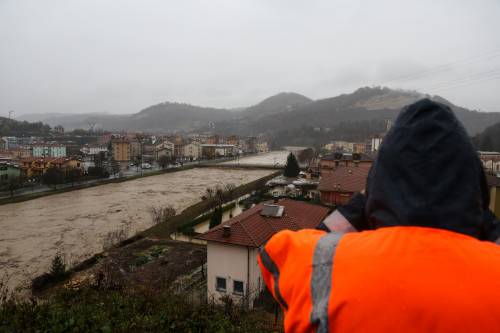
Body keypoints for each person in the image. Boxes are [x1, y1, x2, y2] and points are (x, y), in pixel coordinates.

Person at [258, 99, 500, 332]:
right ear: (476, 189)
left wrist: (364, 203)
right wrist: (481, 217)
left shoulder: (324, 270)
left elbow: (275, 253)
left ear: (377, 191)